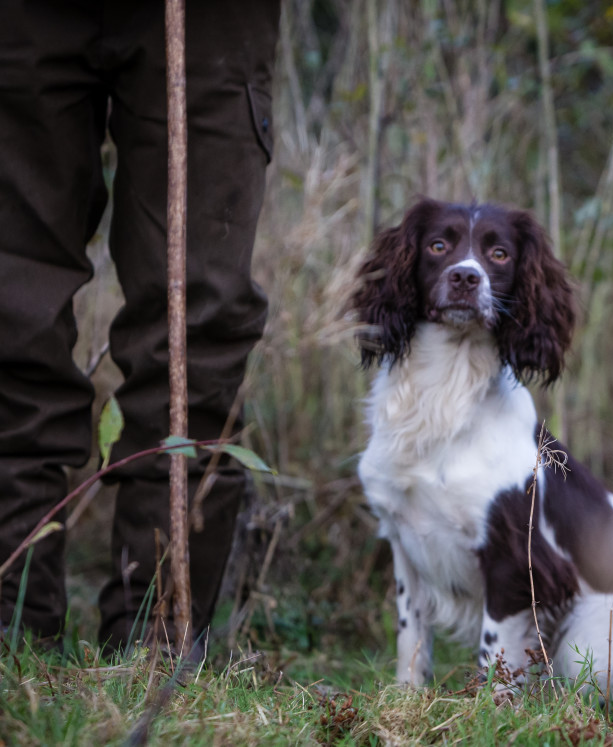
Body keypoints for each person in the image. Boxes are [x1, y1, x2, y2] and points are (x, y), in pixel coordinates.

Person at [0, 0, 281, 652]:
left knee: (197, 322)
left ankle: (158, 649)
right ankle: (12, 640)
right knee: (8, 314)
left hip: (212, 19)